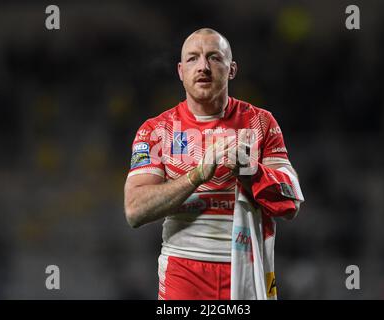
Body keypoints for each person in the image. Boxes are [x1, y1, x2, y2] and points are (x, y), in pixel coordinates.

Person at [124, 28, 304, 300]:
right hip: (184, 271)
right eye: (193, 59)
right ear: (180, 71)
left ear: (231, 69)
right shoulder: (156, 130)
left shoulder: (261, 123)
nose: (203, 67)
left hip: (249, 268)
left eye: (214, 58)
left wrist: (252, 172)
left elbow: (291, 204)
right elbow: (135, 210)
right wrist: (196, 176)